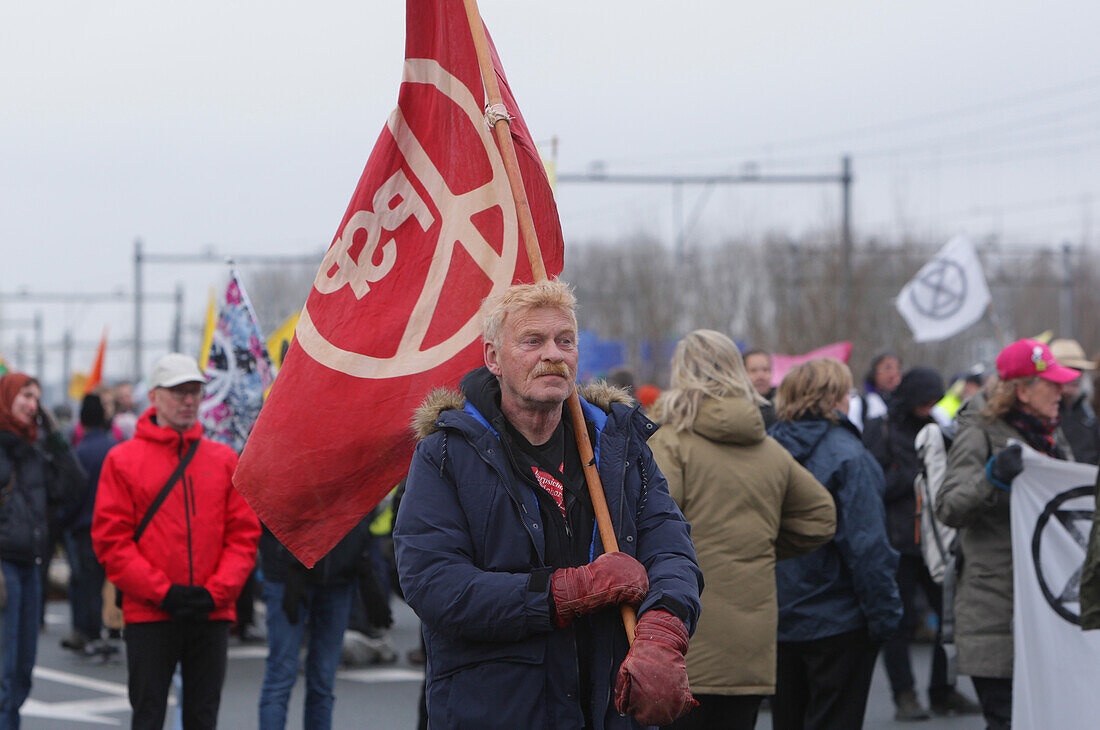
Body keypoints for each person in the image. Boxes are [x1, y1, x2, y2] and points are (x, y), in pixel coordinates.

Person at [393, 279, 703, 729]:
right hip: (498, 711)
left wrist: (664, 628)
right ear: (493, 358)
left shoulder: (620, 445)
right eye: (533, 341)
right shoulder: (446, 454)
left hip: (609, 709)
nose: (553, 354)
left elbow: (672, 550)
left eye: (565, 341)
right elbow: (436, 585)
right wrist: (567, 592)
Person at [647, 330, 836, 730]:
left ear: (682, 371)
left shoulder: (671, 441)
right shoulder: (768, 446)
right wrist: (759, 545)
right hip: (751, 638)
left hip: (684, 628)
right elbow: (820, 517)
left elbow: (652, 523)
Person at [92, 353, 260, 730]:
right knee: (148, 715)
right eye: (178, 392)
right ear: (154, 397)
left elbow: (243, 535)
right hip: (150, 614)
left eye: (195, 392)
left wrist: (216, 592)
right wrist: (163, 592)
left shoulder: (223, 459)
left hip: (209, 612)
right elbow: (111, 541)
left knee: (204, 717)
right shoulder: (123, 460)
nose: (188, 400)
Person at [935, 339, 1077, 729]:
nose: (1062, 391)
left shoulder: (1050, 433)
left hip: (1046, 601)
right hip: (996, 606)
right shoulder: (978, 431)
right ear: (1022, 390)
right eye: (1053, 384)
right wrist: (992, 478)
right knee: (1008, 721)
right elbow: (948, 506)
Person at [768, 358, 903, 730]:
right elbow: (867, 547)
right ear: (837, 397)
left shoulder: (764, 451)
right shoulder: (851, 456)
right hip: (839, 619)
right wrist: (885, 617)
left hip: (778, 615)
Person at [863, 368, 980, 720]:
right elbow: (874, 483)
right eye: (924, 400)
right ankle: (905, 695)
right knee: (897, 623)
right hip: (897, 542)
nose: (929, 407)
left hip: (934, 540)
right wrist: (913, 473)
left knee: (949, 616)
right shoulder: (881, 429)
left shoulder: (938, 428)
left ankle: (942, 691)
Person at [0, 372, 84, 728]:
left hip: (32, 564)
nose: (32, 405)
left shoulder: (37, 446)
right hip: (3, 566)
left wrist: (56, 437)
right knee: (4, 671)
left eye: (36, 398)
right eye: (24, 396)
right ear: (7, 397)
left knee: (22, 670)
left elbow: (74, 485)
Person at [258, 517, 383, 730]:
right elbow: (265, 501)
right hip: (290, 572)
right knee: (283, 676)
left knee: (319, 680)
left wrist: (359, 555)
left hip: (337, 572)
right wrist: (284, 558)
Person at [60, 394, 117, 655]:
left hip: (85, 527)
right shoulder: (116, 448)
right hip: (115, 526)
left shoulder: (79, 452)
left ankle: (89, 634)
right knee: (110, 582)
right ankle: (111, 632)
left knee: (86, 584)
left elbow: (72, 494)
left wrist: (63, 521)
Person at [1049, 339, 1098, 465]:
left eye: (1079, 370)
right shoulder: (1044, 412)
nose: (1075, 377)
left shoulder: (1088, 410)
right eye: (1068, 370)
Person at [848, 350, 902, 432]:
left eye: (897, 368)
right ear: (875, 373)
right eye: (888, 368)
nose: (894, 373)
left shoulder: (907, 402)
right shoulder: (862, 404)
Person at [743, 348, 778, 427]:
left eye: (765, 370)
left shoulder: (784, 404)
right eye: (753, 370)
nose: (761, 376)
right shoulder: (738, 406)